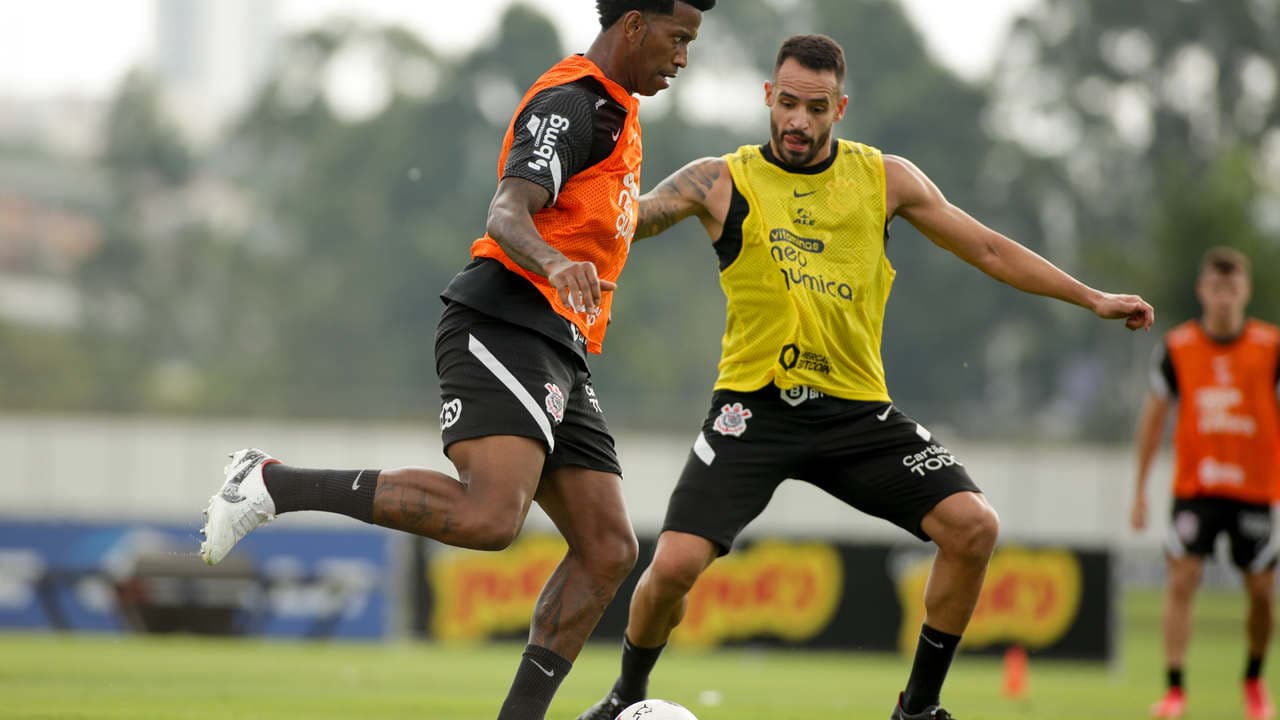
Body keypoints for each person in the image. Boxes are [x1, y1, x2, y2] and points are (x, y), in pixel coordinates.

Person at [577, 34, 1154, 720]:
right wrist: (570, 220)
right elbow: (635, 218)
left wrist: (1091, 297)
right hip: (752, 411)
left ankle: (917, 708)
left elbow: (990, 249)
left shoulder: (884, 178)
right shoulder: (720, 179)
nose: (797, 121)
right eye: (786, 103)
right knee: (671, 568)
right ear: (768, 96)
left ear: (839, 108)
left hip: (856, 414)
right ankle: (625, 700)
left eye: (815, 108)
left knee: (973, 528)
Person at [197, 3, 715, 719]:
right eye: (678, 37)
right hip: (503, 322)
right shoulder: (572, 103)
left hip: (559, 345)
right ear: (633, 25)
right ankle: (273, 483)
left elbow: (617, 220)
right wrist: (554, 261)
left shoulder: (619, 113)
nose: (684, 56)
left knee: (606, 549)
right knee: (489, 517)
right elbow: (506, 211)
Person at [1132, 247, 1278, 720]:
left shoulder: (1271, 348)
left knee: (1260, 591)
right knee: (1182, 578)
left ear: (1245, 291)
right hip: (1196, 488)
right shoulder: (1177, 349)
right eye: (1216, 288)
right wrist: (1139, 490)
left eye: (1232, 289)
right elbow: (1154, 421)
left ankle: (1254, 679)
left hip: (1256, 490)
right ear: (1202, 291)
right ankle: (1175, 689)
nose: (1223, 299)